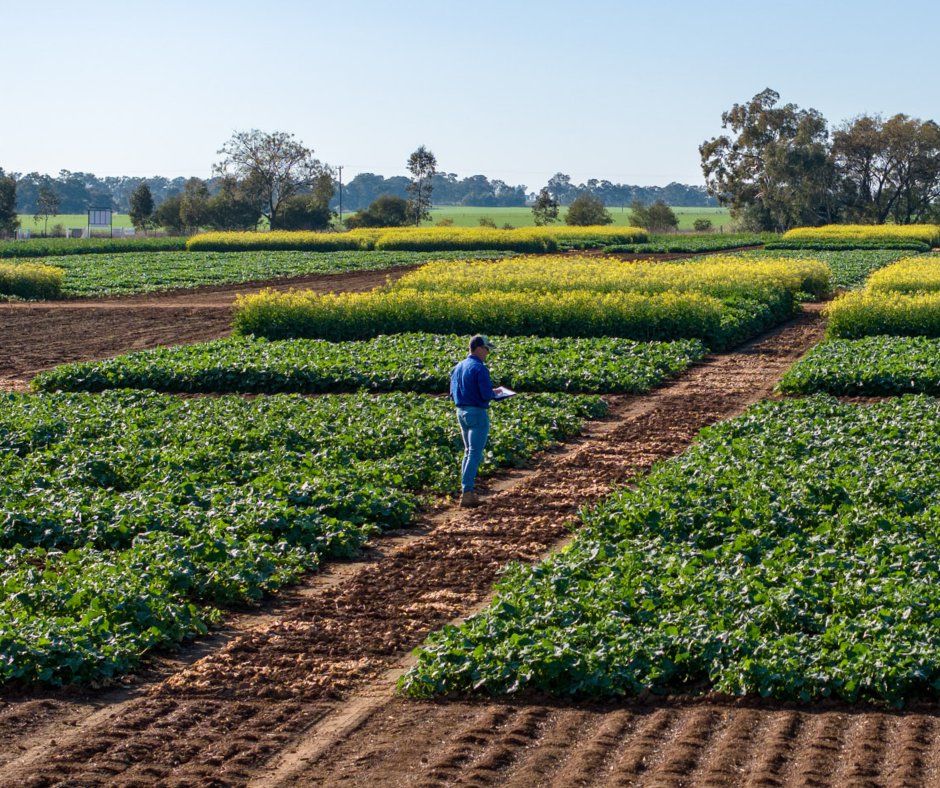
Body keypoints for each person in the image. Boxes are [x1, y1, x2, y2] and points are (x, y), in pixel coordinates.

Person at [450, 334, 497, 508]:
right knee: (474, 453)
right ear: (478, 348)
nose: (487, 353)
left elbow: (452, 393)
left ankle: (466, 490)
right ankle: (467, 492)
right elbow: (485, 394)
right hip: (477, 412)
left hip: (461, 412)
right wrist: (495, 394)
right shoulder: (479, 368)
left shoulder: (458, 366)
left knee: (468, 451)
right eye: (486, 349)